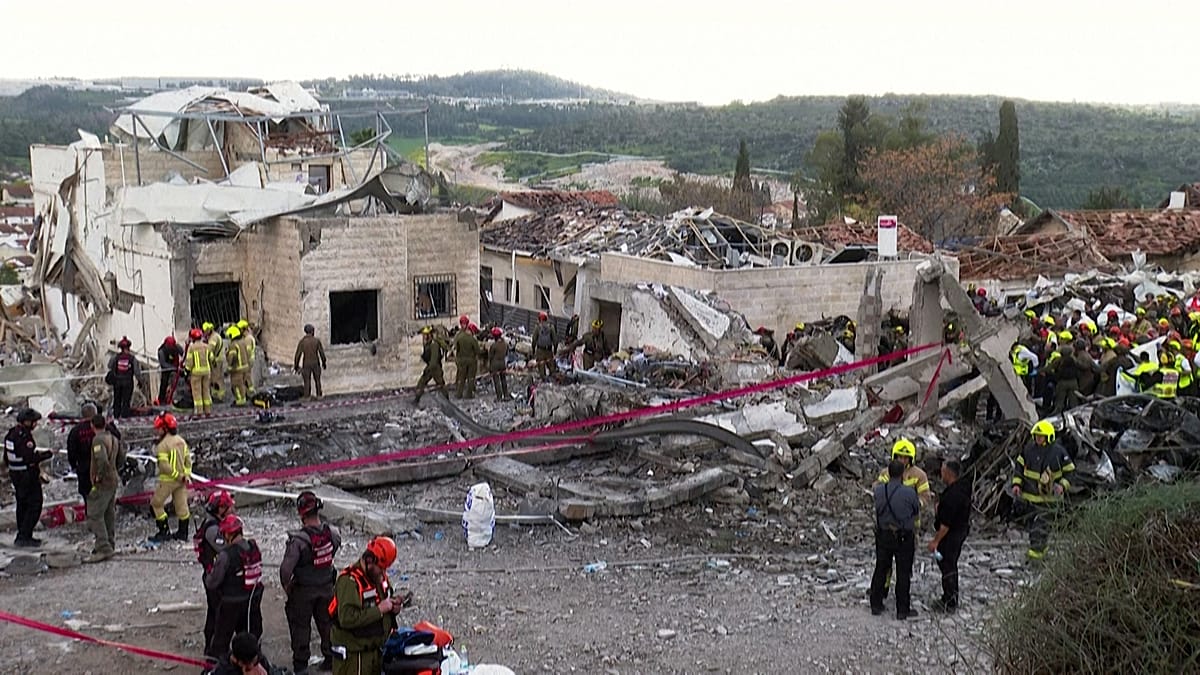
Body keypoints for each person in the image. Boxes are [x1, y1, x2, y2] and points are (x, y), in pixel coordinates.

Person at [281, 492, 342, 674]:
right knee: (327, 624)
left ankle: (300, 666)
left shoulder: (299, 541)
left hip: (303, 592)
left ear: (301, 514)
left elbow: (285, 570)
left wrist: (288, 587)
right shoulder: (333, 533)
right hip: (327, 587)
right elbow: (333, 551)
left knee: (300, 627)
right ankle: (330, 659)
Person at [329, 535, 407, 675]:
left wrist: (393, 608)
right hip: (355, 656)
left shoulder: (377, 577)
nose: (383, 573)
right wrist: (380, 610)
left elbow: (384, 601)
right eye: (381, 568)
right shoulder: (349, 582)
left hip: (375, 651)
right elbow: (347, 618)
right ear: (370, 560)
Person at [1012, 420, 1075, 560]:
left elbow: (1070, 472)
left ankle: (1035, 559)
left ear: (1049, 437)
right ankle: (1042, 552)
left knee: (1039, 529)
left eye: (1041, 436)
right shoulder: (1029, 449)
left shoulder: (1058, 452)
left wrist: (1062, 486)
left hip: (1049, 501)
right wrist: (1016, 484)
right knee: (1033, 528)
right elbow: (1019, 467)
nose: (1038, 439)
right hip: (1030, 499)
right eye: (1036, 436)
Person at [205, 515, 264, 662]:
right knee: (251, 638)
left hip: (231, 603)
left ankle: (214, 668)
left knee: (220, 641)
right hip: (252, 600)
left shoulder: (225, 555)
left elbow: (212, 582)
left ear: (228, 534)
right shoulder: (253, 547)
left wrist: (208, 573)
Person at [869, 460, 920, 620]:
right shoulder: (910, 493)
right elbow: (916, 510)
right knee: (903, 572)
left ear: (888, 473)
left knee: (881, 568)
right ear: (903, 474)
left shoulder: (878, 491)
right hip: (903, 536)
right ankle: (902, 609)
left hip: (883, 534)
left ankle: (876, 604)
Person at [195, 490, 236, 656]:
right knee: (218, 612)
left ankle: (214, 647)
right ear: (220, 509)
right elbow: (227, 549)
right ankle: (214, 650)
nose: (233, 510)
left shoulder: (216, 523)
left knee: (217, 611)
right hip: (214, 577)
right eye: (229, 507)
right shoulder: (212, 529)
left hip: (217, 574)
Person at [928, 459, 971, 612]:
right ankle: (950, 597)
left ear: (948, 473)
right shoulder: (961, 489)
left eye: (943, 471)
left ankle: (949, 600)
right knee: (948, 563)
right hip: (960, 531)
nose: (941, 474)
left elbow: (946, 524)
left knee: (948, 564)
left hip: (952, 534)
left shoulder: (953, 495)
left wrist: (935, 541)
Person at [5, 409, 52, 547]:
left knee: (22, 504)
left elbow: (7, 457)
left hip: (16, 474)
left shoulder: (11, 434)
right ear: (26, 421)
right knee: (35, 504)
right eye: (34, 422)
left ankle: (23, 533)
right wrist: (45, 455)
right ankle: (24, 535)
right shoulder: (24, 437)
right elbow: (29, 458)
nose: (35, 424)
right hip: (26, 475)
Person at [83, 415, 125, 563]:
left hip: (103, 481)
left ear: (92, 425)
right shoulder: (113, 438)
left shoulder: (98, 440)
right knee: (108, 512)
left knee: (94, 513)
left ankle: (102, 547)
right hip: (113, 478)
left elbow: (101, 460)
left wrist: (99, 477)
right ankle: (110, 543)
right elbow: (121, 458)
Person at [148, 412, 192, 543]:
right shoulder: (181, 441)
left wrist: (177, 476)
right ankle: (183, 533)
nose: (158, 432)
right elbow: (188, 460)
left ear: (165, 428)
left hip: (169, 481)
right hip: (182, 480)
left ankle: (164, 532)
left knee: (156, 504)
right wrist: (186, 475)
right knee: (182, 506)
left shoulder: (162, 445)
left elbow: (164, 467)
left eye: (159, 429)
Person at [66, 403, 99, 500]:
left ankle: (90, 513)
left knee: (87, 496)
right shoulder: (101, 427)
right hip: (100, 467)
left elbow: (71, 450)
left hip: (84, 468)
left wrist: (74, 466)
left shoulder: (75, 431)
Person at [207, 632, 275, 675]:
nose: (253, 666)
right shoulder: (222, 671)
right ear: (236, 659)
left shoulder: (260, 660)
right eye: (249, 663)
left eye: (255, 662)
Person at [107, 336, 142, 418]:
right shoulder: (132, 359)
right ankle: (125, 417)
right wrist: (140, 381)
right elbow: (137, 372)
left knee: (117, 400)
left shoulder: (115, 357)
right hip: (128, 383)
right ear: (129, 348)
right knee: (126, 401)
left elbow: (109, 366)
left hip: (117, 382)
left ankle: (116, 416)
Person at [413, 327, 447, 405]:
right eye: (423, 335)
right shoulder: (427, 344)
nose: (424, 337)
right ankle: (416, 399)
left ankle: (446, 399)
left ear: (429, 335)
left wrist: (427, 369)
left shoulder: (434, 345)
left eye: (425, 335)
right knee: (421, 383)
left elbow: (434, 360)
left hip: (435, 368)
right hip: (430, 366)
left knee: (440, 384)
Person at [294, 324, 327, 401]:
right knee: (317, 380)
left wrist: (296, 366)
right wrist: (324, 363)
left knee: (307, 380)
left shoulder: (302, 342)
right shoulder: (316, 341)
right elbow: (322, 353)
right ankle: (319, 395)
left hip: (306, 363)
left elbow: (297, 355)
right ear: (312, 331)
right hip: (316, 363)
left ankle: (307, 396)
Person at [187, 328, 214, 416]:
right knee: (206, 391)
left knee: (197, 392)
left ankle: (199, 412)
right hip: (207, 371)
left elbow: (190, 362)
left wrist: (186, 370)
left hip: (196, 373)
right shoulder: (206, 346)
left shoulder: (192, 347)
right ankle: (208, 411)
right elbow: (211, 358)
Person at [451, 322, 481, 399]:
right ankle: (469, 394)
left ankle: (459, 394)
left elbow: (456, 348)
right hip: (471, 361)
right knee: (471, 378)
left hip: (461, 360)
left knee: (461, 378)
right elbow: (478, 351)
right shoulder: (472, 339)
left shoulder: (459, 337)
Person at [157, 335, 185, 406]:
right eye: (170, 347)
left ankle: (183, 397)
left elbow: (183, 354)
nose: (172, 348)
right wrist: (174, 368)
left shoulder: (176, 347)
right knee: (164, 384)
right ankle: (161, 399)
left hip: (176, 368)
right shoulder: (161, 351)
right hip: (167, 369)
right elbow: (163, 364)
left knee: (183, 380)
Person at [226, 326, 250, 407]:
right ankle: (244, 397)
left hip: (237, 369)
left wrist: (229, 368)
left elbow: (232, 357)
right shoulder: (243, 342)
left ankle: (240, 401)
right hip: (245, 367)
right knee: (243, 384)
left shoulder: (233, 345)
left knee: (236, 385)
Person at [531, 312, 558, 380]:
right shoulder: (551, 327)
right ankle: (553, 382)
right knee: (552, 368)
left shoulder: (537, 327)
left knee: (541, 370)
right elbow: (555, 340)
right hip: (549, 350)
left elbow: (534, 339)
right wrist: (554, 351)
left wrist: (533, 349)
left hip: (540, 351)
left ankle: (544, 382)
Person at [204, 322, 227, 404]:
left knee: (217, 379)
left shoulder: (214, 338)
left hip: (216, 361)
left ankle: (219, 396)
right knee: (214, 379)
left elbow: (210, 349)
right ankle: (215, 395)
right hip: (215, 360)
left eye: (205, 331)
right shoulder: (213, 336)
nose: (204, 333)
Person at [487, 327, 510, 402]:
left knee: (497, 381)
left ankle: (499, 397)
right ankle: (506, 395)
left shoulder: (494, 345)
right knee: (503, 379)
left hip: (495, 364)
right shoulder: (505, 344)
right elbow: (507, 353)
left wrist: (490, 367)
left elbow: (490, 356)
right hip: (503, 363)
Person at [237, 320, 258, 395]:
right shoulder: (247, 337)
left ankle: (250, 393)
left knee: (247, 378)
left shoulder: (248, 339)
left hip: (248, 360)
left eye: (240, 329)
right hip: (249, 360)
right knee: (246, 377)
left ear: (243, 329)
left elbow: (248, 351)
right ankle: (249, 392)